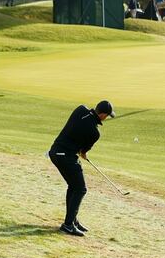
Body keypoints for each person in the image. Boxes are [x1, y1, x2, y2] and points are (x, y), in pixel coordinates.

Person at [49, 100, 116, 236]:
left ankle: (72, 220)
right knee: (80, 189)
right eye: (107, 115)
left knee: (73, 187)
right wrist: (83, 154)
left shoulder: (80, 109)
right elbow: (82, 152)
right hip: (65, 156)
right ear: (102, 115)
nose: (106, 118)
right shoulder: (95, 133)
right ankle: (68, 225)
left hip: (55, 152)